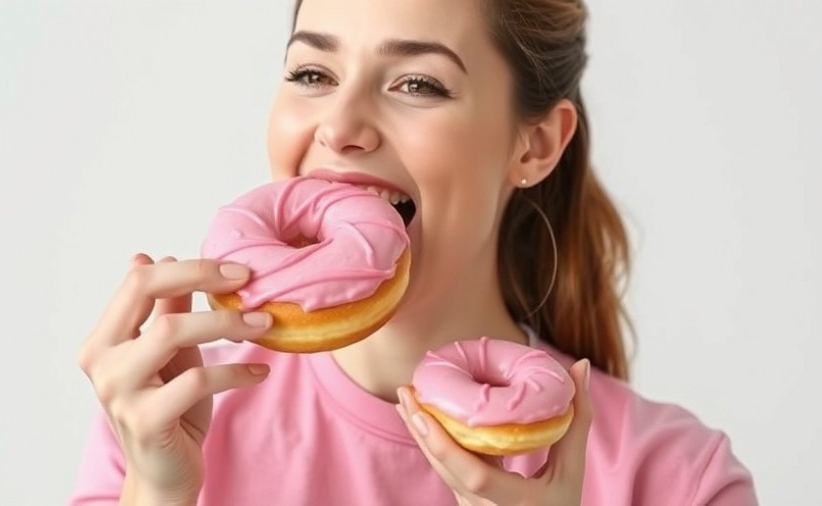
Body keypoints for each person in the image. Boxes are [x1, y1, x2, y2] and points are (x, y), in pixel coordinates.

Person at [70, 0, 758, 504]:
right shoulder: (167, 419)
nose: (339, 127)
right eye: (312, 73)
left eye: (416, 83)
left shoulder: (674, 479)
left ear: (536, 144)